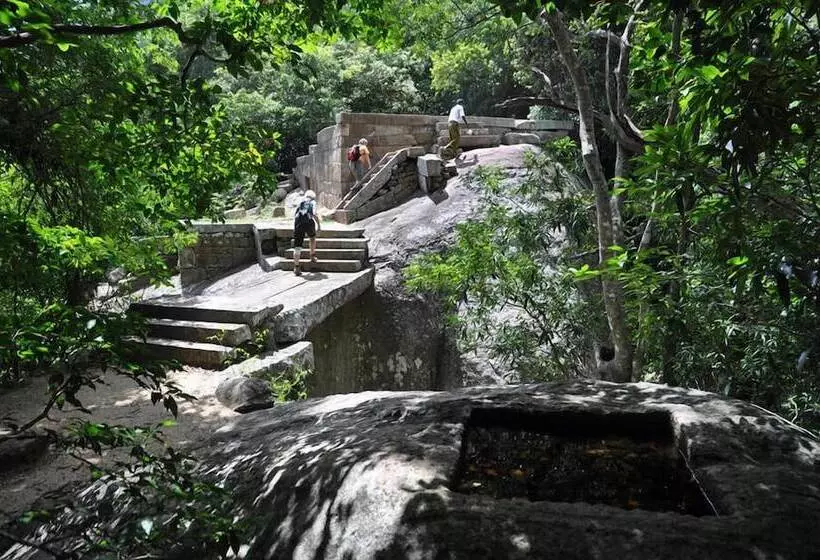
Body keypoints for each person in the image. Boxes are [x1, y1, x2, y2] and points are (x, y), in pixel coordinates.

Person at [292, 189, 320, 276]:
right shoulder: (313, 202)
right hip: (308, 223)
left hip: (298, 223)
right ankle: (312, 256)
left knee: (297, 247)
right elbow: (314, 214)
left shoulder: (300, 200)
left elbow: (295, 214)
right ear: (313, 197)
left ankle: (296, 267)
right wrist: (319, 225)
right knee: (312, 238)